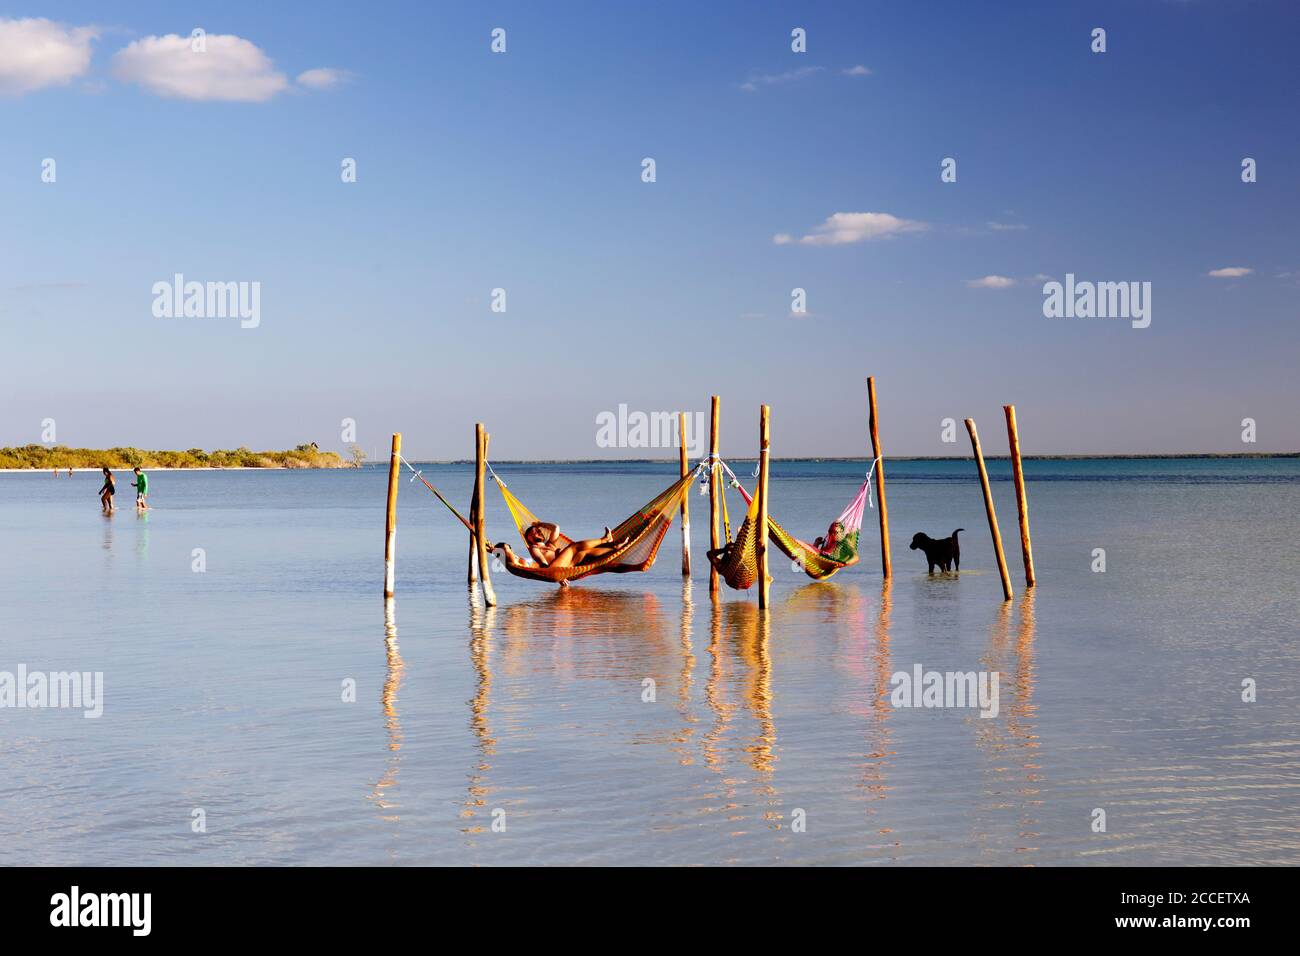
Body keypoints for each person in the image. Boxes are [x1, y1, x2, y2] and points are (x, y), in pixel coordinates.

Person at [496, 522, 626, 570]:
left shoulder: (550, 544)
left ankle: (614, 547)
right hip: (554, 569)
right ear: (528, 538)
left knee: (584, 553)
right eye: (533, 532)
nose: (538, 532)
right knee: (573, 547)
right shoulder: (534, 548)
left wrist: (540, 524)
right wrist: (554, 576)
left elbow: (556, 528)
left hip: (568, 564)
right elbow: (541, 561)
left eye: (538, 530)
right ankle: (605, 539)